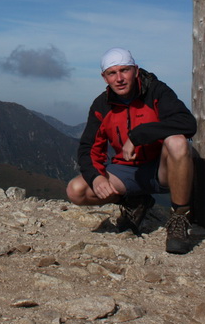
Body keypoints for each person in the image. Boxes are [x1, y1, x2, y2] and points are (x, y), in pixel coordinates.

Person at [66, 47, 197, 254]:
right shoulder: (102, 105)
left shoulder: (156, 91)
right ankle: (135, 201)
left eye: (124, 71)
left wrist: (138, 135)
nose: (119, 78)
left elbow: (187, 123)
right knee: (77, 190)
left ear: (136, 70)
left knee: (178, 142)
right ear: (104, 77)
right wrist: (96, 177)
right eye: (112, 73)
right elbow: (88, 148)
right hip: (128, 172)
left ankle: (179, 219)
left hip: (163, 168)